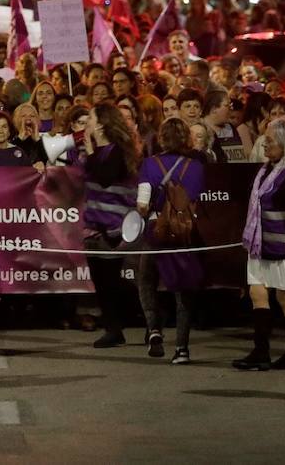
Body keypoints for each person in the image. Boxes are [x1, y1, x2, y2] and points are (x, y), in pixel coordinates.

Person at [234, 119, 285, 372]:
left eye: (271, 139)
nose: (265, 143)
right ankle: (260, 352)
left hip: (283, 249)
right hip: (260, 247)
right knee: (257, 293)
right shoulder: (265, 170)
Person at [136, 117, 205, 364]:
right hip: (185, 233)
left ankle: (154, 328)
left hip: (156, 231)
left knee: (146, 280)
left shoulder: (149, 164)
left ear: (161, 138)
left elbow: (142, 206)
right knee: (183, 292)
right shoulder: (196, 167)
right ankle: (182, 349)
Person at [79, 102, 141, 349]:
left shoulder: (117, 152)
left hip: (114, 226)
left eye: (91, 119)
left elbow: (105, 177)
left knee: (112, 280)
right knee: (103, 282)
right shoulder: (94, 153)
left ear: (102, 124)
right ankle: (113, 329)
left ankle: (146, 318)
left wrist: (90, 150)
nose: (87, 125)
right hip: (94, 225)